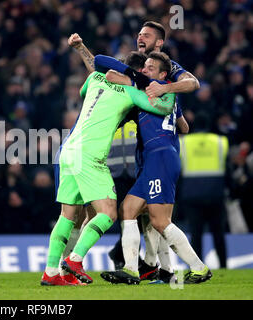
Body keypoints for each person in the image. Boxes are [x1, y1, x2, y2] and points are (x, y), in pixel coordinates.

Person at [68, 20, 198, 282]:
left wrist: (164, 88)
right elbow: (103, 69)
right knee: (140, 214)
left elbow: (193, 83)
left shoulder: (168, 71)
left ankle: (174, 269)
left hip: (158, 155)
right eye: (139, 33)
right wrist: (82, 49)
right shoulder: (141, 78)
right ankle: (146, 268)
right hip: (143, 156)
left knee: (156, 217)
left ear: (159, 42)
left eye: (147, 35)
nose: (141, 37)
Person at [41, 51, 175, 286]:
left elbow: (84, 91)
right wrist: (165, 89)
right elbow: (163, 108)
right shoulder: (132, 92)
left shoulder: (94, 79)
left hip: (68, 150)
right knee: (109, 213)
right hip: (91, 155)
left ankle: (51, 272)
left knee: (67, 215)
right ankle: (74, 261)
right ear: (136, 73)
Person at [99, 52, 212, 285]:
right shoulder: (165, 93)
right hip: (157, 156)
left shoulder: (151, 85)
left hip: (160, 156)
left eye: (151, 68)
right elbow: (184, 126)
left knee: (160, 221)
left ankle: (199, 268)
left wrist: (128, 79)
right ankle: (131, 270)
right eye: (145, 67)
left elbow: (109, 71)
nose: (145, 71)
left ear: (163, 75)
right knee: (128, 209)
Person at [179, 112, 229, 268]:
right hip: (216, 193)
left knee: (196, 234)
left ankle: (196, 266)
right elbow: (227, 168)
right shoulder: (221, 141)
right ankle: (223, 265)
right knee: (218, 233)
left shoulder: (184, 143)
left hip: (192, 194)